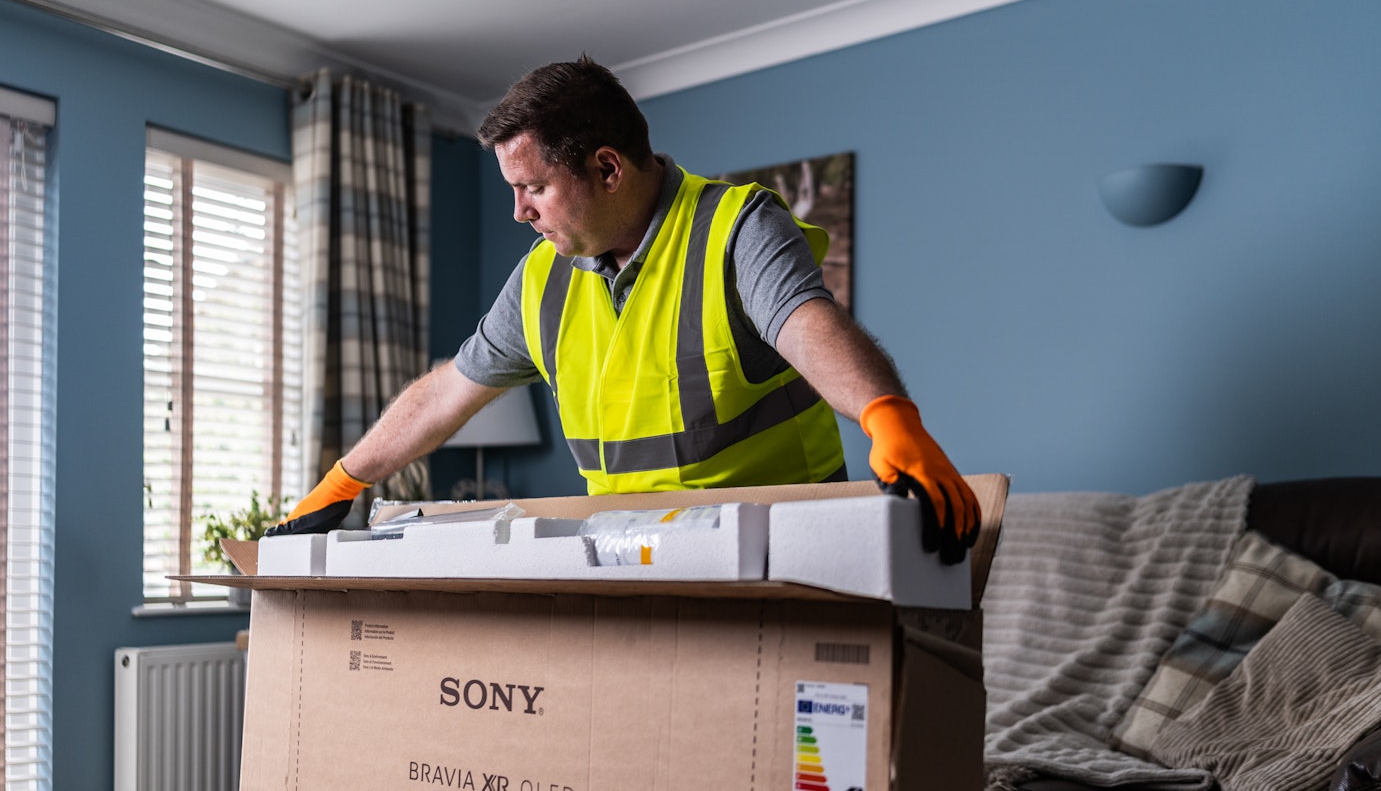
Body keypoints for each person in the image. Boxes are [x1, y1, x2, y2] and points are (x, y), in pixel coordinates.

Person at [269, 56, 980, 563]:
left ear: (608, 168)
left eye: (534, 188)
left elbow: (807, 321)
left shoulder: (735, 227)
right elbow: (448, 391)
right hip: (634, 558)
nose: (517, 212)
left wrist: (886, 414)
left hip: (784, 558)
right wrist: (343, 480)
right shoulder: (540, 281)